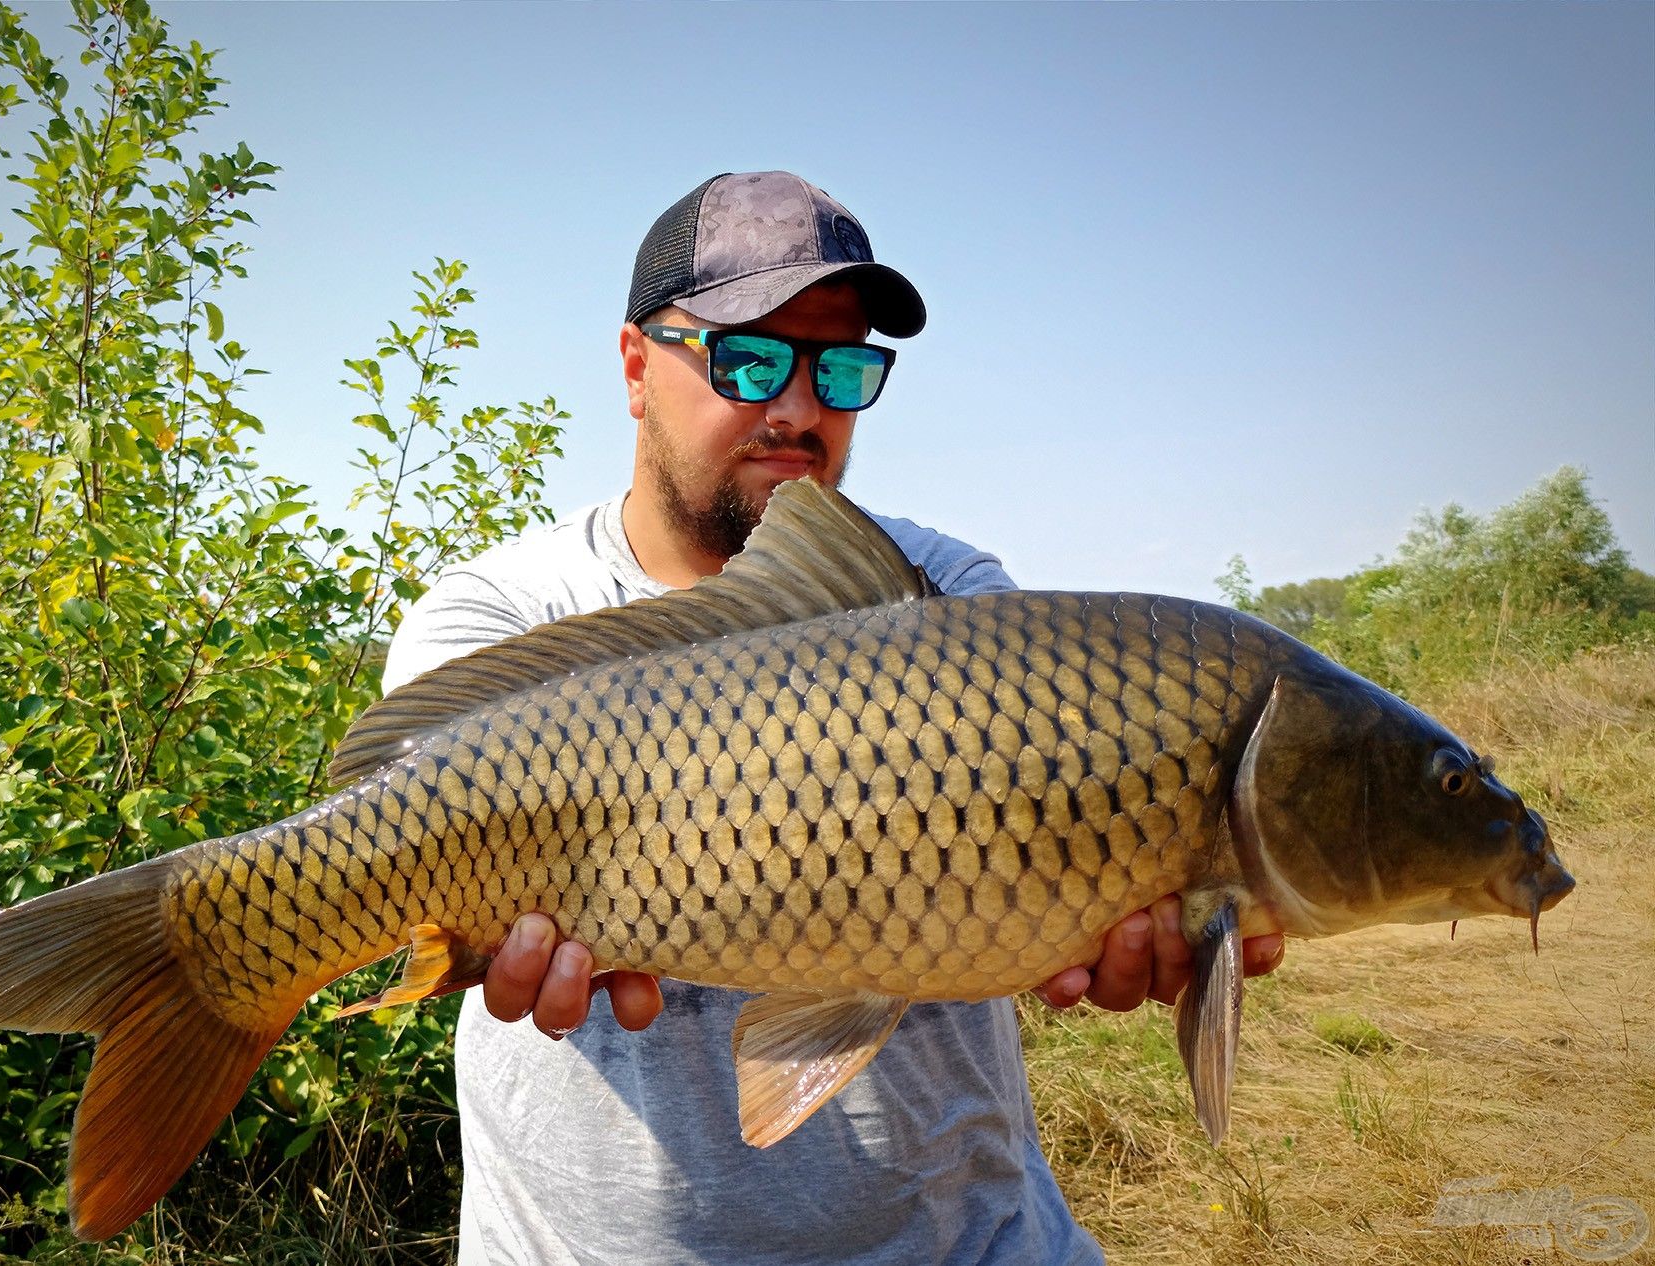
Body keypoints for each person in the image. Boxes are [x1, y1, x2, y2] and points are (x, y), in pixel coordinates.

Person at [380, 171, 1285, 1265]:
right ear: (634, 368)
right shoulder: (502, 615)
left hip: (968, 1243)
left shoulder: (951, 595)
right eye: (748, 358)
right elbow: (403, 823)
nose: (799, 409)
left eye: (842, 367)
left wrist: (1143, 927)